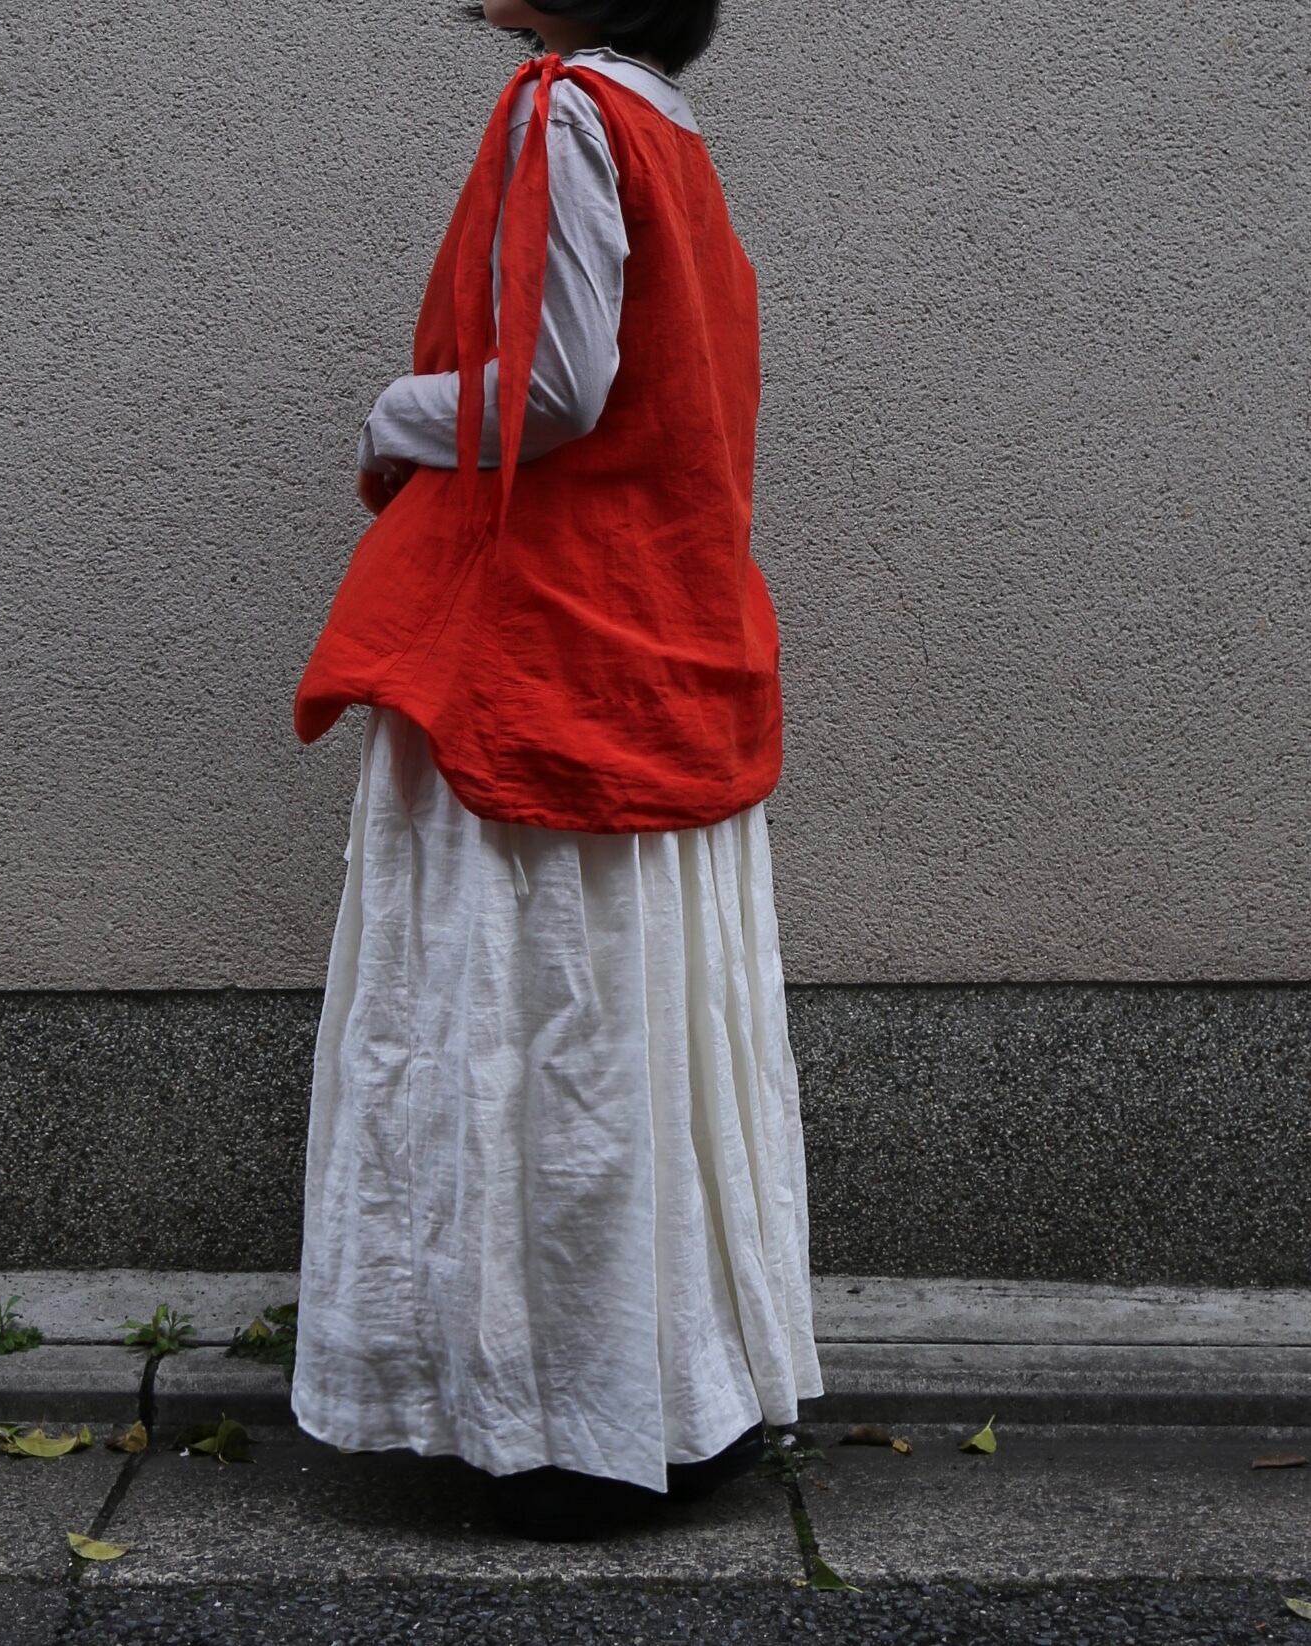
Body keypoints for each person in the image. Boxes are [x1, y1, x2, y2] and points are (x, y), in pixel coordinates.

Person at [289, 0, 824, 1540]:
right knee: (645, 1024)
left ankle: (553, 1423)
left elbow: (552, 388)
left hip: (539, 648)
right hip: (659, 629)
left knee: (520, 1019)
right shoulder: (669, 133)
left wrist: (392, 412)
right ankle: (672, 1391)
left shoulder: (560, 107)